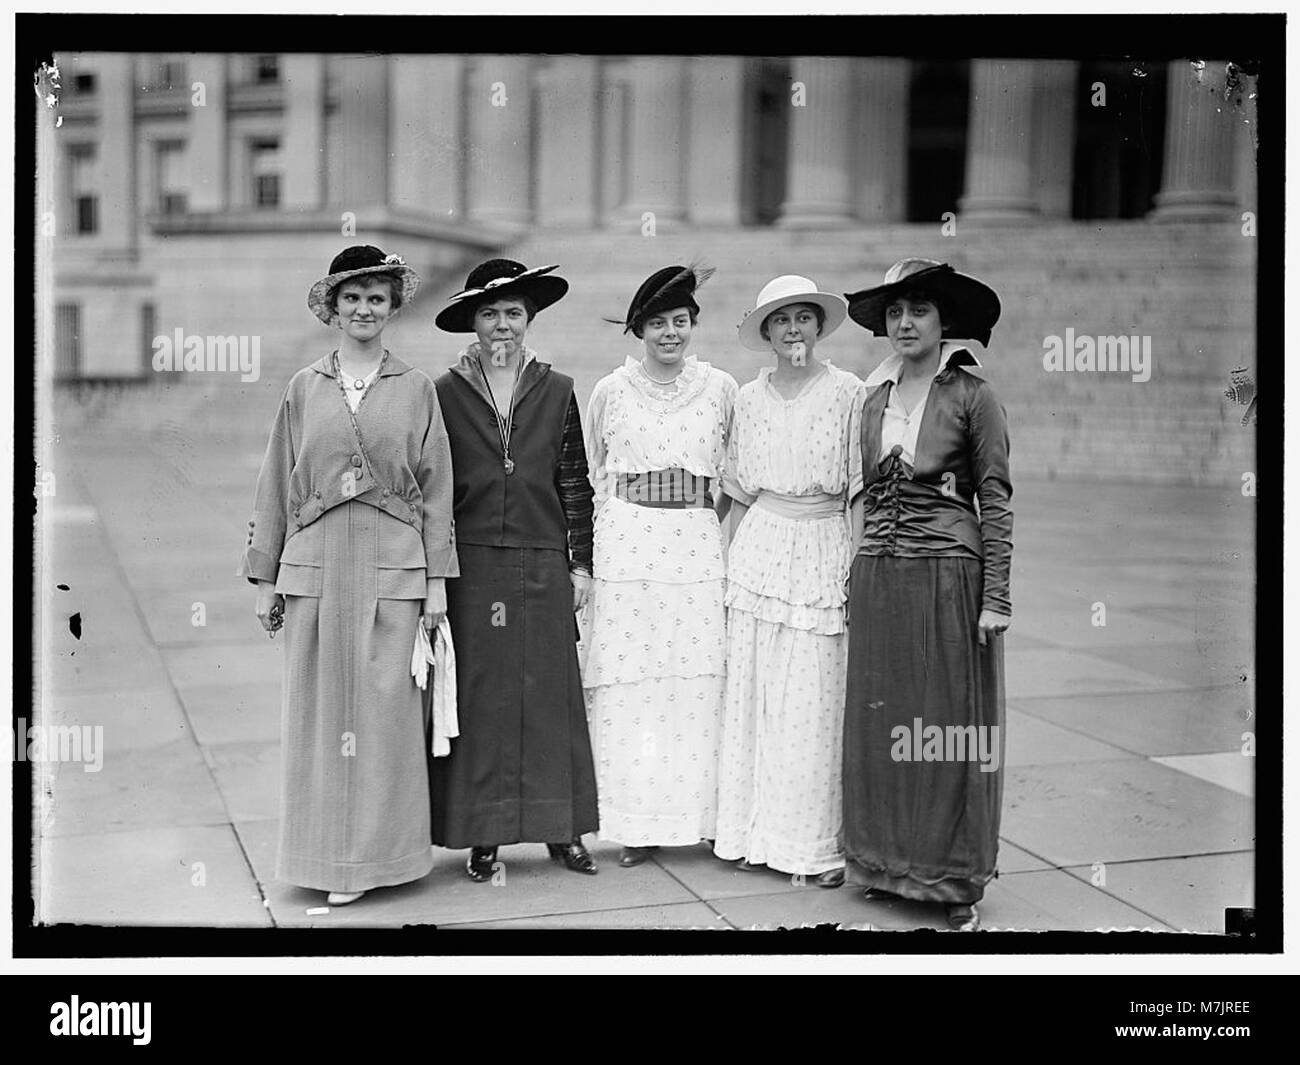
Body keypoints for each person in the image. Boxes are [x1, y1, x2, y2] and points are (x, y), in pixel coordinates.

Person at [240, 245, 457, 906]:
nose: (365, 308)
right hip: (318, 567)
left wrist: (437, 584)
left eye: (377, 297)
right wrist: (266, 577)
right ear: (333, 307)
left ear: (392, 308)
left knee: (386, 722)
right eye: (353, 297)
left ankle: (378, 861)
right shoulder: (304, 387)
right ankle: (323, 861)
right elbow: (277, 482)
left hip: (392, 568)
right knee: (319, 718)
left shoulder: (416, 388)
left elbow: (438, 489)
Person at [839, 258, 1011, 931]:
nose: (904, 323)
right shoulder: (872, 401)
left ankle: (951, 877)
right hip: (882, 574)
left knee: (946, 726)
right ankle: (887, 863)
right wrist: (855, 573)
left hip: (948, 573)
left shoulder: (973, 394)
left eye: (918, 310)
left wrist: (995, 595)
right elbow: (863, 494)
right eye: (894, 312)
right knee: (884, 721)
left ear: (944, 322)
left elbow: (994, 496)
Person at [429, 258, 599, 882]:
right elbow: (436, 487)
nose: (503, 325)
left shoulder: (556, 389)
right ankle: (486, 834)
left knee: (550, 695)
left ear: (530, 321)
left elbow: (574, 480)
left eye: (514, 314)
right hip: (473, 566)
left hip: (543, 560)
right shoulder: (444, 393)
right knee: (484, 697)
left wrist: (580, 563)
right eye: (491, 314)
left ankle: (564, 830)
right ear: (473, 324)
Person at [583, 264, 737, 868]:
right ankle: (636, 824)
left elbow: (734, 471)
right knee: (634, 685)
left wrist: (700, 516)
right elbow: (599, 473)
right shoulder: (610, 390)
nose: (669, 334)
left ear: (694, 324)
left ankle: (697, 818)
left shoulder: (721, 387)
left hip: (695, 542)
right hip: (628, 544)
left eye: (680, 322)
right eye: (656, 323)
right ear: (638, 329)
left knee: (694, 679)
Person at [712, 276, 861, 880]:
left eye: (804, 318)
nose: (793, 330)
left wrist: (855, 557)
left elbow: (857, 488)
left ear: (818, 327)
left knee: (813, 700)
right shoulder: (749, 398)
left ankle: (813, 846)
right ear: (767, 332)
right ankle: (752, 834)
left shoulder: (850, 392)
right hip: (760, 549)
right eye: (781, 320)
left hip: (823, 546)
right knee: (753, 694)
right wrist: (720, 562)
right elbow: (740, 492)